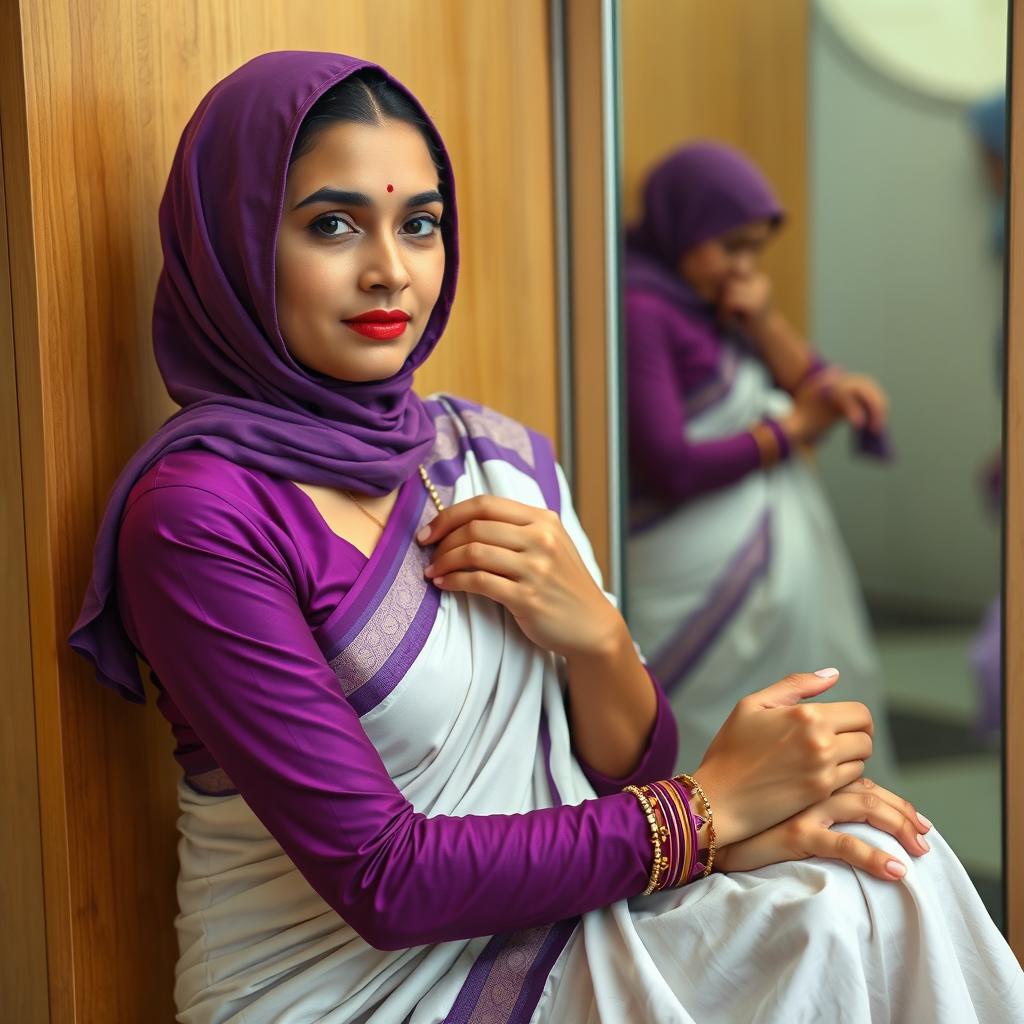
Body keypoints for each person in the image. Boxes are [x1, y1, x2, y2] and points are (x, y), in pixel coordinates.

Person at [68, 53, 1022, 1023]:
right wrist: (707, 813)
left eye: (421, 223)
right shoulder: (200, 519)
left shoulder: (485, 451)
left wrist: (594, 636)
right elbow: (382, 878)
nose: (390, 268)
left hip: (545, 926)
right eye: (332, 224)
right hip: (346, 989)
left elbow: (627, 770)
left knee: (878, 875)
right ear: (232, 240)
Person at [624, 142, 900, 784]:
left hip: (758, 567)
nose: (743, 267)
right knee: (705, 726)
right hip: (691, 569)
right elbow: (671, 465)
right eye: (731, 246)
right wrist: (795, 427)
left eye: (756, 249)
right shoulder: (644, 308)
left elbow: (806, 379)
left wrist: (770, 324)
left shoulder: (713, 299)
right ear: (683, 228)